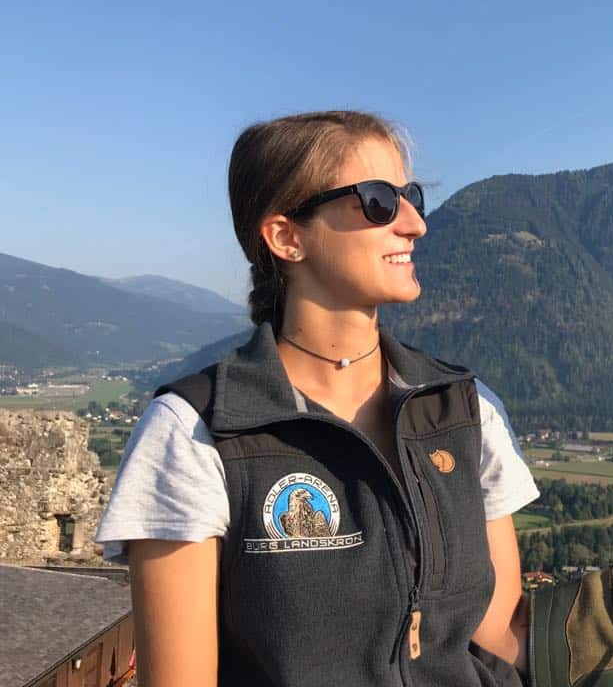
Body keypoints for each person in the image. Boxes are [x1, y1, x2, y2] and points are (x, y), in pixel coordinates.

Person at [95, 111, 540, 687]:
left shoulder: (465, 409)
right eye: (378, 201)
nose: (414, 224)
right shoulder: (197, 430)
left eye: (413, 197)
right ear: (286, 237)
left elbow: (496, 631)